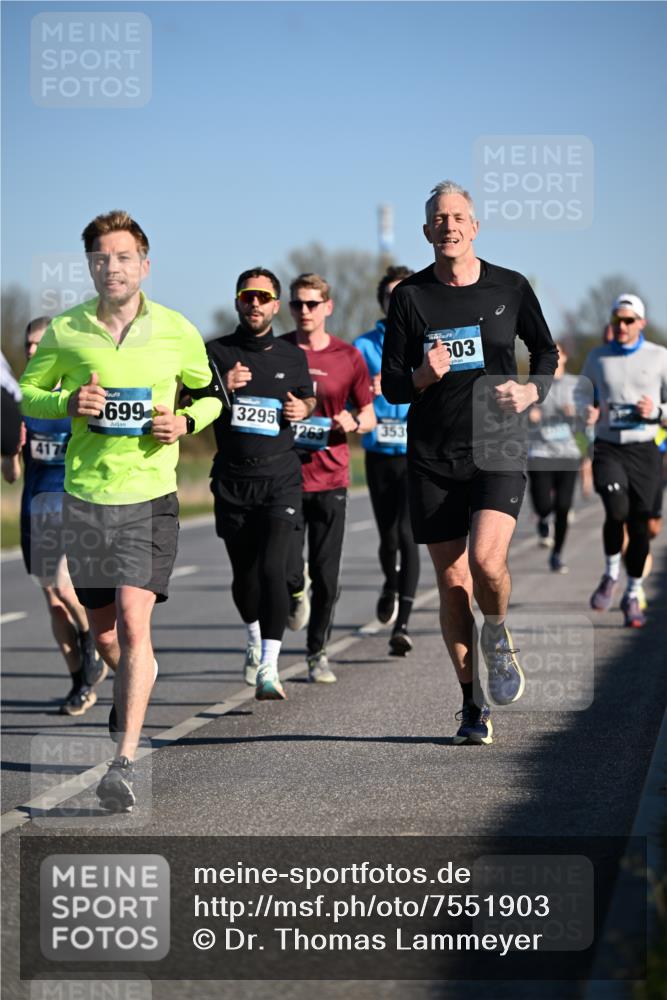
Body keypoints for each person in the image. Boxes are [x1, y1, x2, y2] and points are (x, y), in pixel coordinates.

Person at [20, 210, 222, 812]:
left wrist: (184, 420)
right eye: (103, 258)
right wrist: (66, 399)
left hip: (149, 498)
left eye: (125, 256)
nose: (114, 267)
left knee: (135, 624)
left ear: (144, 264)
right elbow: (28, 393)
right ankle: (130, 687)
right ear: (90, 266)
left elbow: (212, 396)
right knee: (105, 631)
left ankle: (124, 761)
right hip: (86, 499)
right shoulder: (65, 330)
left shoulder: (177, 330)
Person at [382, 180, 558, 745]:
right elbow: (391, 386)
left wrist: (533, 392)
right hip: (434, 455)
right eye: (439, 218)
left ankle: (499, 633)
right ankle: (470, 705)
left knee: (486, 562)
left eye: (459, 217)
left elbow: (548, 351)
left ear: (474, 227)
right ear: (427, 231)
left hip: (498, 444)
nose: (449, 226)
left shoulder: (510, 286)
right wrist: (422, 376)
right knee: (453, 581)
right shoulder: (409, 297)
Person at [202, 268, 315, 700]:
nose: (254, 303)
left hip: (280, 478)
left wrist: (304, 408)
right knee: (244, 577)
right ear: (237, 301)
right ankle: (253, 639)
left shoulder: (290, 355)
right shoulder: (214, 352)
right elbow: (186, 408)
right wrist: (220, 387)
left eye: (263, 297)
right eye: (247, 296)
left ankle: (270, 664)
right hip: (232, 478)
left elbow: (307, 396)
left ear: (274, 305)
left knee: (272, 569)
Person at [1, 318, 103, 715]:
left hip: (75, 507)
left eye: (39, 344)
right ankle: (80, 683)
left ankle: (92, 637)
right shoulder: (22, 404)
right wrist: (11, 451)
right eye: (27, 345)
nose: (31, 351)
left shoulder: (77, 398)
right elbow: (12, 478)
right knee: (53, 601)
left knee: (63, 586)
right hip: (35, 509)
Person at [283, 273, 376, 683]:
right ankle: (294, 590)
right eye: (297, 304)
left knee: (327, 574)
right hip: (283, 477)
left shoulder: (348, 356)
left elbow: (370, 417)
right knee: (285, 568)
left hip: (332, 477)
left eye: (312, 304)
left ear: (328, 307)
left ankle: (317, 652)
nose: (304, 311)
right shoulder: (278, 350)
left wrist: (353, 420)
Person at [578, 293, 667, 627]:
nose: (623, 326)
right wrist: (588, 410)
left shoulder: (659, 357)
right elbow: (582, 393)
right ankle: (611, 574)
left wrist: (656, 411)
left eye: (629, 320)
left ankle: (633, 593)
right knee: (617, 509)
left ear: (641, 323)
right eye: (617, 320)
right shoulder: (598, 357)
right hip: (609, 447)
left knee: (642, 524)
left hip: (644, 449)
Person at [354, 265, 421, 654]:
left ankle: (404, 624)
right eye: (389, 297)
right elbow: (345, 393)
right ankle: (390, 583)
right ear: (381, 302)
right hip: (380, 451)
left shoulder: (429, 340)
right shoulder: (363, 347)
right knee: (388, 536)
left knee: (408, 534)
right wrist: (366, 389)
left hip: (417, 451)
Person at [527, 343, 584, 573]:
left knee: (563, 507)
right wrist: (530, 415)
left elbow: (586, 418)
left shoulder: (574, 385)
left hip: (567, 454)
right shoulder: (536, 383)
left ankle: (557, 553)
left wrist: (576, 413)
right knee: (543, 504)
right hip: (541, 452)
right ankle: (542, 519)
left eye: (559, 354)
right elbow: (520, 411)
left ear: (565, 357)